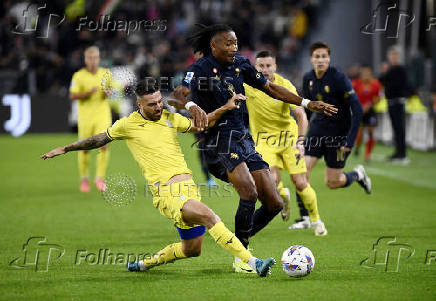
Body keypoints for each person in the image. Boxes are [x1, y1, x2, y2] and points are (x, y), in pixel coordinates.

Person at [41, 80, 276, 277]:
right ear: (139, 104)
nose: (157, 107)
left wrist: (225, 108)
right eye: (152, 104)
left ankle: (145, 264)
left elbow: (200, 124)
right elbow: (100, 139)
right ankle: (253, 262)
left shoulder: (168, 118)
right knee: (209, 216)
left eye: (159, 101)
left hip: (189, 189)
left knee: (192, 249)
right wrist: (66, 148)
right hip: (167, 194)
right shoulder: (127, 124)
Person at [171, 24, 337, 273]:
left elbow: (270, 88)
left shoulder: (241, 64)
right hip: (217, 141)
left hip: (243, 139)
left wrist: (306, 102)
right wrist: (193, 105)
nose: (234, 47)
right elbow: (178, 95)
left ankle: (236, 242)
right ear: (213, 46)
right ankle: (242, 258)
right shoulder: (200, 69)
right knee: (248, 193)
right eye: (228, 43)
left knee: (274, 204)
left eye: (235, 42)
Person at [289, 42, 371, 230]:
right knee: (301, 172)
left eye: (324, 56)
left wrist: (350, 140)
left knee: (333, 182)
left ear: (329, 58)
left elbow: (357, 109)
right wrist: (299, 137)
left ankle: (357, 175)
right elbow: (308, 111)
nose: (320, 60)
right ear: (311, 59)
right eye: (316, 56)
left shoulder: (338, 77)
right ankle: (305, 218)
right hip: (317, 131)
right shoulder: (308, 78)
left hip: (339, 134)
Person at [245, 51, 326, 236]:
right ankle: (283, 196)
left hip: (288, 139)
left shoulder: (285, 85)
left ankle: (316, 220)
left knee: (300, 182)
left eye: (268, 66)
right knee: (270, 182)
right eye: (261, 66)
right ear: (255, 67)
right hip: (264, 141)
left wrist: (300, 142)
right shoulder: (247, 85)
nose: (265, 70)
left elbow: (301, 115)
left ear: (275, 66)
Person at [69, 46, 112, 192]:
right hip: (86, 117)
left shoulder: (105, 73)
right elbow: (72, 96)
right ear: (85, 59)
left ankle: (99, 178)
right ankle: (84, 179)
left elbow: (109, 92)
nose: (93, 61)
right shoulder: (78, 76)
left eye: (95, 58)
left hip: (102, 114)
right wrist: (88, 93)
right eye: (90, 58)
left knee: (104, 145)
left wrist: (107, 93)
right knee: (85, 149)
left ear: (99, 59)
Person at [379, 46, 410, 164]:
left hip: (398, 101)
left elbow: (399, 84)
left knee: (399, 128)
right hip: (390, 102)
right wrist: (384, 72)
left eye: (395, 55)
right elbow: (381, 79)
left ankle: (402, 154)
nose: (393, 57)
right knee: (395, 128)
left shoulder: (400, 69)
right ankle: (398, 152)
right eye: (392, 55)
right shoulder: (390, 70)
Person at [352, 65, 382, 162]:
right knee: (359, 133)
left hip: (370, 110)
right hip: (358, 110)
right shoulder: (355, 84)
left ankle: (367, 154)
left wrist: (370, 104)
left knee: (370, 131)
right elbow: (350, 97)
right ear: (361, 74)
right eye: (364, 73)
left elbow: (378, 97)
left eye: (368, 73)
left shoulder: (376, 84)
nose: (366, 75)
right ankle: (357, 146)